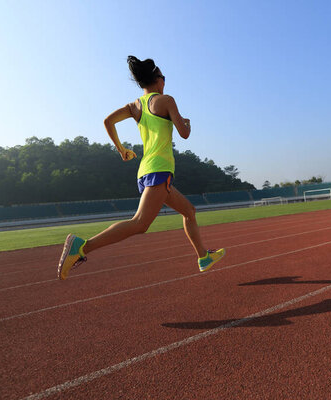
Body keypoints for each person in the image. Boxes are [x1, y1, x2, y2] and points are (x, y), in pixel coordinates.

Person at [57, 56, 225, 280]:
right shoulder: (166, 100)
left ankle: (203, 256)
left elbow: (108, 121)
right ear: (157, 79)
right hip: (160, 169)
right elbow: (184, 134)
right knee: (140, 223)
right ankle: (82, 247)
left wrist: (121, 150)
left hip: (146, 171)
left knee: (189, 211)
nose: (165, 82)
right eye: (163, 78)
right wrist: (187, 123)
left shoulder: (134, 106)